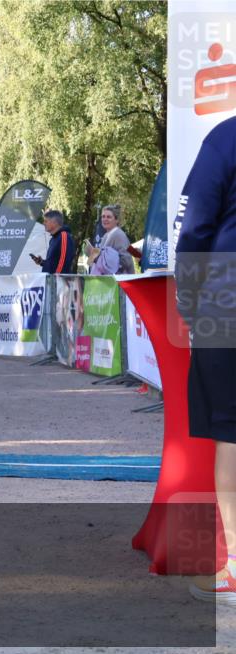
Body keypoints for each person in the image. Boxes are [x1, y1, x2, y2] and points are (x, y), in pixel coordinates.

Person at [174, 115, 236, 605]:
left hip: (227, 305)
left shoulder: (225, 138)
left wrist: (189, 302)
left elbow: (194, 228)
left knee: (233, 435)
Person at [93, 205, 135, 275]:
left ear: (117, 220)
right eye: (103, 216)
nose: (105, 219)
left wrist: (109, 266)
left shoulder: (119, 235)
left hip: (119, 282)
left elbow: (126, 261)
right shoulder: (106, 235)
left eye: (108, 217)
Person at [33, 210, 76, 274]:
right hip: (51, 280)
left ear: (55, 222)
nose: (43, 223)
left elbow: (63, 261)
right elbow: (54, 263)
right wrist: (42, 262)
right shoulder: (54, 239)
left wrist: (56, 280)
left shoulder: (64, 236)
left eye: (46, 221)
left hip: (58, 281)